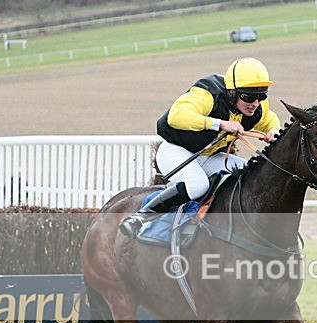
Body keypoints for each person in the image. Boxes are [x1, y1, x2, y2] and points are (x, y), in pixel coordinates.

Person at [120, 57, 282, 237]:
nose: (255, 103)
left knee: (251, 173)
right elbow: (176, 115)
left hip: (209, 157)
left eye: (261, 96)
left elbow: (269, 119)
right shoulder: (207, 94)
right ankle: (141, 217)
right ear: (231, 91)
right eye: (248, 97)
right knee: (198, 185)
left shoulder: (256, 106)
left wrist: (273, 131)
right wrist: (220, 124)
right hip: (176, 151)